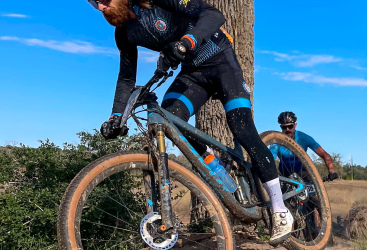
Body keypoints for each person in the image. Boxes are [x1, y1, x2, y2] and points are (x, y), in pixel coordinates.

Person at [90, 0, 293, 244]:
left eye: (102, 0)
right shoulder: (123, 33)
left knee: (242, 129)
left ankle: (280, 209)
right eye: (93, 3)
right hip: (192, 73)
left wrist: (186, 43)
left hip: (221, 61)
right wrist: (115, 116)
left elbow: (213, 15)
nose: (100, 7)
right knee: (169, 120)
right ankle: (215, 166)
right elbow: (126, 78)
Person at [272, 111, 338, 181]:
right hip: (285, 175)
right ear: (280, 127)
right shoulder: (276, 141)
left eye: (290, 126)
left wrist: (331, 171)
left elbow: (324, 154)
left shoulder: (303, 137)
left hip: (303, 174)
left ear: (295, 125)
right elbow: (270, 159)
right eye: (284, 127)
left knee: (312, 187)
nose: (287, 129)